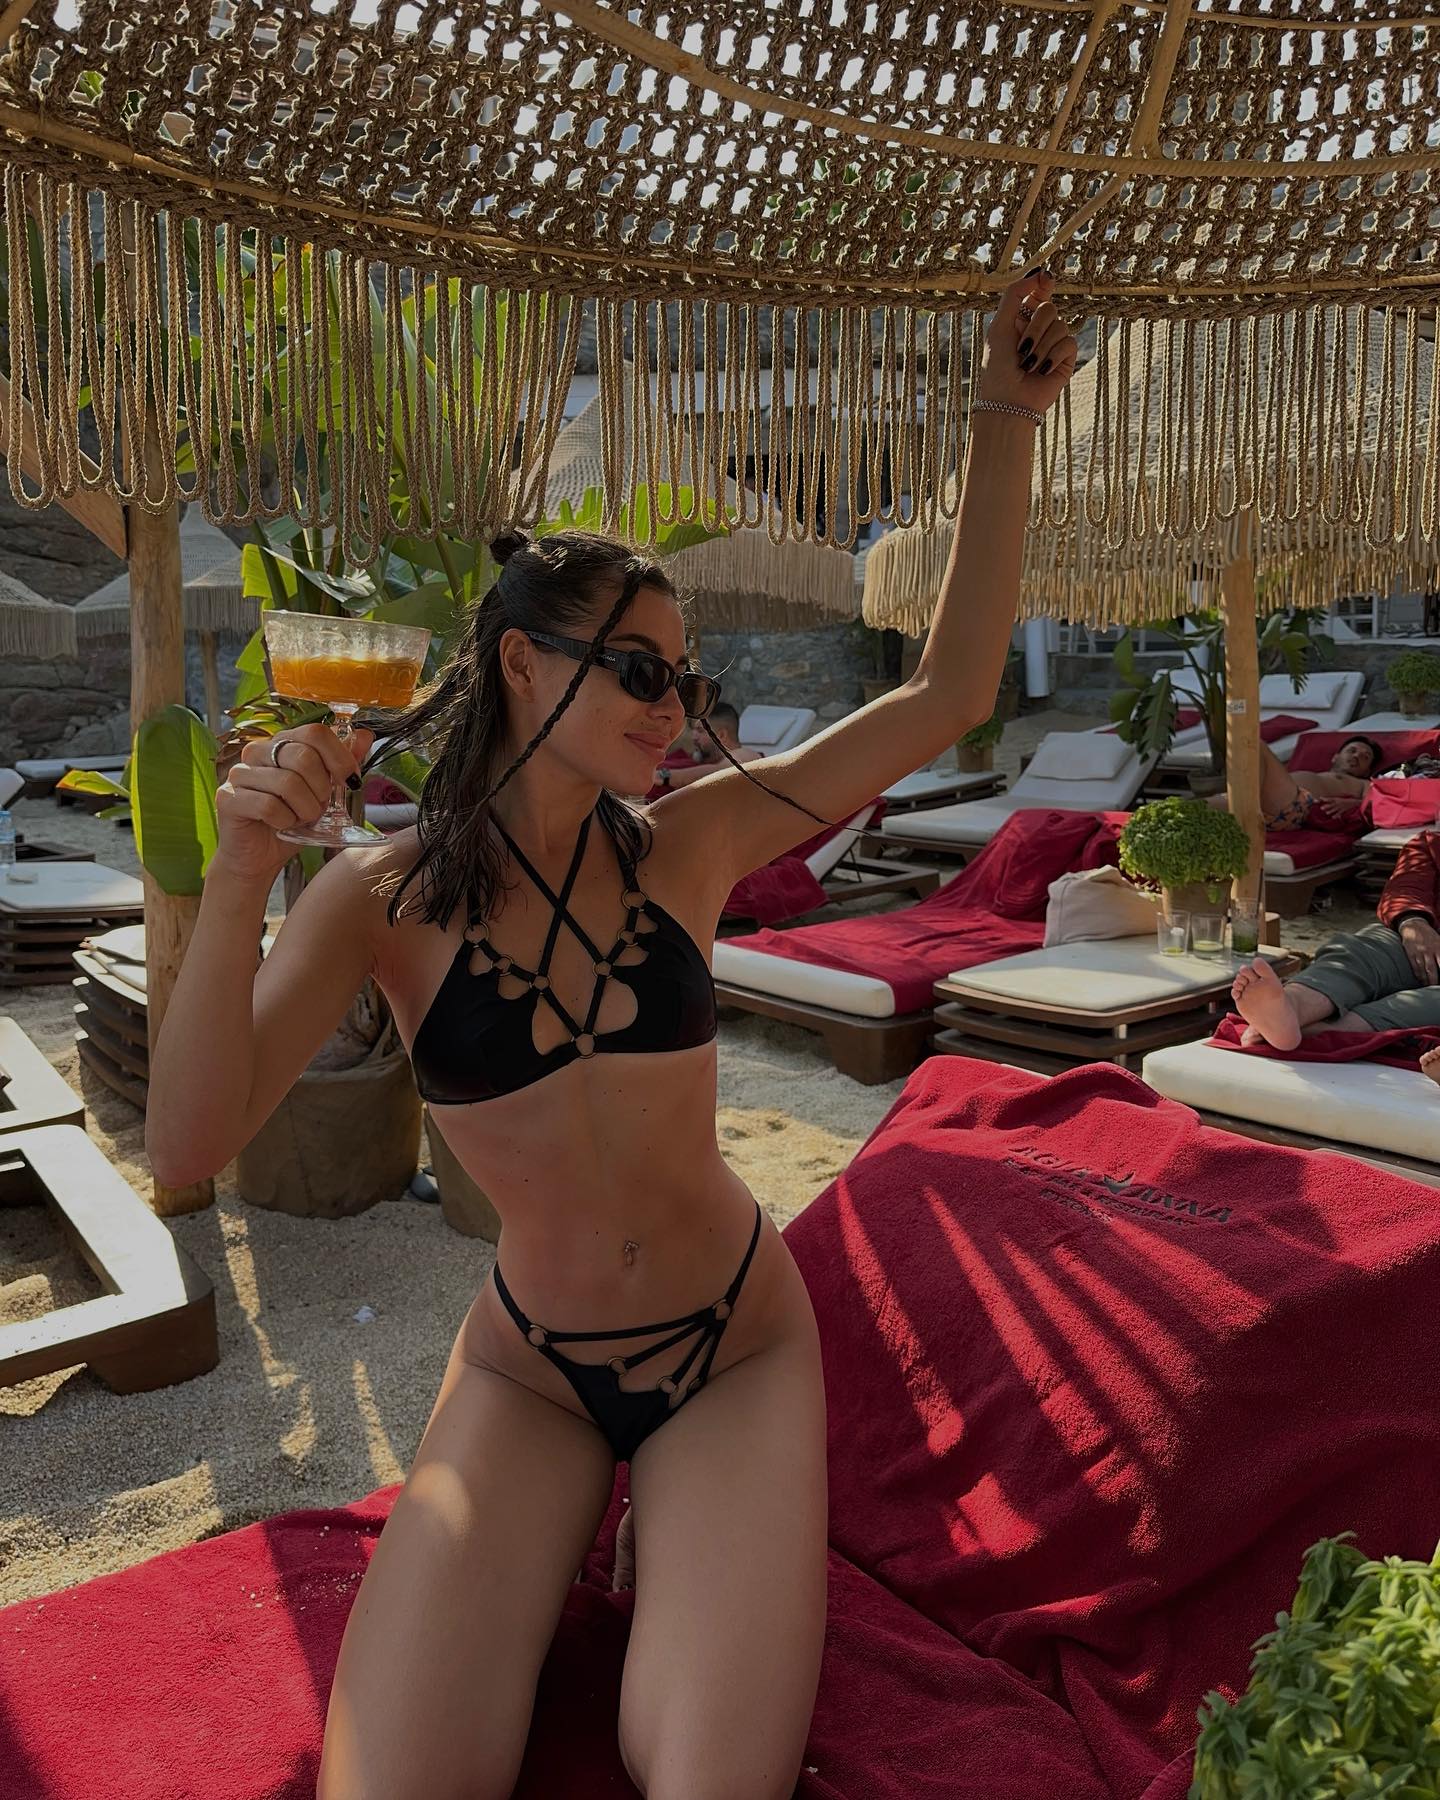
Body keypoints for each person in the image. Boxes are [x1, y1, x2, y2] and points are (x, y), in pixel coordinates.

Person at [144, 269, 1078, 1800]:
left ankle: (675, 1520)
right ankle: (613, 1515)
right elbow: (187, 1145)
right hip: (534, 1370)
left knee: (707, 1780)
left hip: (736, 1350)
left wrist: (1004, 418)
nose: (670, 704)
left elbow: (950, 689)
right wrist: (244, 869)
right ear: (521, 663)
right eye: (640, 670)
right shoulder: (383, 901)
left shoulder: (695, 842)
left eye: (682, 678)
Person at [1231, 826, 1440, 1069]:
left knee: (1423, 1003)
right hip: (1429, 939)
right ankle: (1292, 1006)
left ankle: (1326, 1031)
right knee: (1363, 949)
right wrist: (1412, 922)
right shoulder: (1432, 843)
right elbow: (1406, 886)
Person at [1210, 733, 1383, 831]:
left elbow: (1379, 803)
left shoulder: (1364, 783)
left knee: (1253, 741)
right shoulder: (1322, 775)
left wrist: (1352, 803)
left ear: (1367, 770)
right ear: (1335, 757)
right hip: (1266, 800)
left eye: (1365, 757)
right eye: (1352, 751)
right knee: (1200, 807)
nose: (1356, 756)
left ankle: (1246, 797)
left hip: (1295, 807)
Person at [653, 702, 760, 793]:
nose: (694, 737)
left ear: (721, 735)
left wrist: (661, 776)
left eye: (700, 731)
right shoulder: (696, 760)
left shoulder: (745, 755)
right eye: (694, 730)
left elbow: (721, 772)